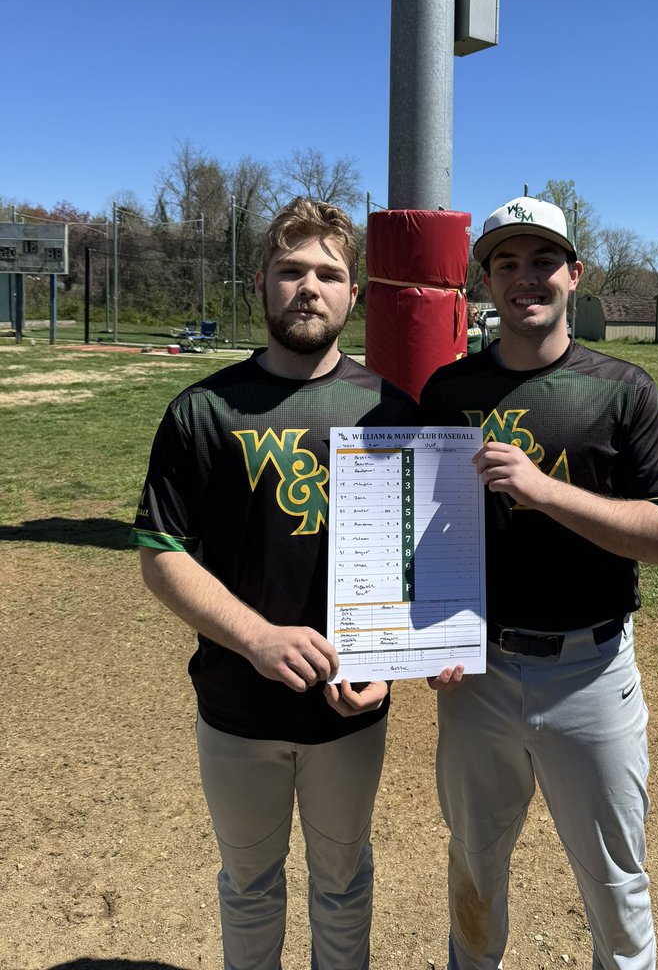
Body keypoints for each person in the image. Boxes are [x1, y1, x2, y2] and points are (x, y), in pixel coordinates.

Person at [130, 198, 417, 970]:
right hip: (235, 706)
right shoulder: (203, 410)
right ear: (260, 283)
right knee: (249, 886)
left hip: (347, 713)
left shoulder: (391, 409)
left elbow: (411, 560)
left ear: (353, 294)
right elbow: (162, 553)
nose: (309, 287)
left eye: (329, 273)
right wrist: (256, 637)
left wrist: (384, 660)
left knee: (342, 885)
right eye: (291, 270)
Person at [420, 195, 658, 970]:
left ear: (575, 274)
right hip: (479, 675)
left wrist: (543, 491)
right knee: (474, 871)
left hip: (592, 670)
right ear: (485, 283)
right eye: (505, 263)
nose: (525, 277)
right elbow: (424, 534)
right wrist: (425, 635)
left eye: (543, 260)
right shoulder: (446, 393)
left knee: (615, 885)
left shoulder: (623, 391)